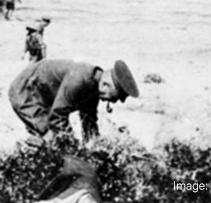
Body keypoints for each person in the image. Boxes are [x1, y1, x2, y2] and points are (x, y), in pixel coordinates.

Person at [8, 59, 139, 142]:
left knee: (55, 141)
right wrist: (72, 144)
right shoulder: (80, 79)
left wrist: (96, 144)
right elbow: (57, 115)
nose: (107, 103)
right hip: (25, 92)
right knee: (50, 137)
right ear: (106, 85)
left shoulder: (94, 86)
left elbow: (89, 122)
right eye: (112, 99)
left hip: (44, 97)